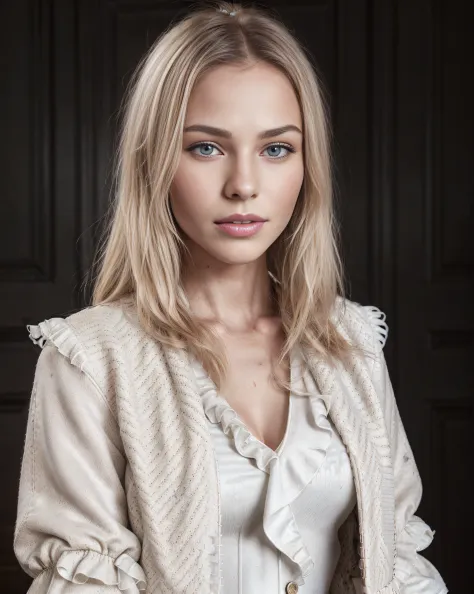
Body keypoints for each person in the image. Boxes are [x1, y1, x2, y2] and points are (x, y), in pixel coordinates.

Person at [13, 2, 448, 593]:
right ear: (155, 161)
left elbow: (396, 559)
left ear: (306, 165)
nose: (244, 184)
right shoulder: (91, 360)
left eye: (276, 149)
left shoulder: (351, 344)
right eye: (206, 147)